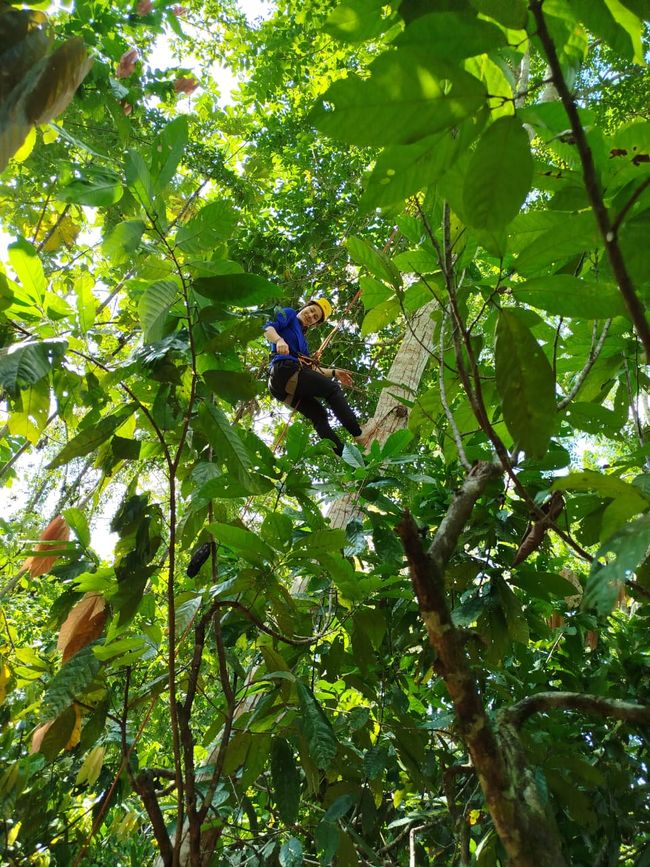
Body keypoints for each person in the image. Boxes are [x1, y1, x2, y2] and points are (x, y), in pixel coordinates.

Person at [264, 299, 367, 456]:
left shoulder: (303, 345)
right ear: (306, 306)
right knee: (332, 390)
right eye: (311, 310)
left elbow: (310, 370)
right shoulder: (290, 314)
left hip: (282, 387)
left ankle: (347, 456)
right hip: (284, 370)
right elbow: (268, 329)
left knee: (319, 416)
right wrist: (279, 340)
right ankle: (359, 434)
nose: (310, 315)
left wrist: (334, 373)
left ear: (314, 324)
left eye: (315, 317)